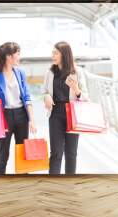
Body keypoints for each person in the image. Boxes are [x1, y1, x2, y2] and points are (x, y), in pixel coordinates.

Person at [0, 42, 37, 175]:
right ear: (8, 56)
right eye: (17, 54)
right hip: (3, 116)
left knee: (23, 153)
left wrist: (32, 120)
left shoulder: (20, 73)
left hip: (21, 116)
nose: (19, 57)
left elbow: (27, 97)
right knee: (3, 153)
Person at [42, 41, 89, 175]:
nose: (52, 55)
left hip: (73, 114)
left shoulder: (77, 71)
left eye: (55, 53)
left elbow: (86, 97)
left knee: (71, 153)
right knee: (56, 152)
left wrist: (76, 89)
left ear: (64, 54)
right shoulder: (50, 72)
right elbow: (44, 90)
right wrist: (46, 96)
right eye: (52, 53)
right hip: (55, 113)